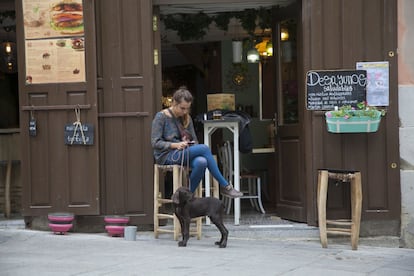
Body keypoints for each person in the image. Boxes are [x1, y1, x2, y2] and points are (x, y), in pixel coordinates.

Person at [151, 86, 243, 198]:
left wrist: (189, 143)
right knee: (204, 148)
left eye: (187, 108)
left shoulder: (186, 117)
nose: (185, 111)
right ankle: (225, 186)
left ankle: (187, 196)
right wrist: (176, 145)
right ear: (174, 103)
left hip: (184, 153)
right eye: (182, 108)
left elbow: (195, 141)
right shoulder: (161, 117)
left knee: (202, 162)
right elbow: (155, 143)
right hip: (167, 155)